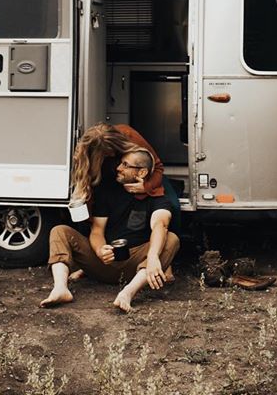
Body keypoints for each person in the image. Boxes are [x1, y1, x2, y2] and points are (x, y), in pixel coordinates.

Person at [41, 148, 179, 312]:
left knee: (171, 239)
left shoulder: (158, 199)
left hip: (135, 267)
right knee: (59, 231)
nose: (119, 168)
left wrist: (153, 256)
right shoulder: (109, 191)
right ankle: (60, 289)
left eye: (125, 165)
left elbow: (160, 225)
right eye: (121, 163)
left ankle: (127, 293)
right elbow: (97, 230)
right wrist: (100, 250)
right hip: (103, 261)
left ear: (141, 172)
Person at [69, 123, 165, 204]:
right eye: (106, 154)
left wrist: (146, 187)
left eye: (112, 151)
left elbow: (158, 167)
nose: (111, 155)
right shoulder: (86, 152)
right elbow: (86, 182)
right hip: (107, 192)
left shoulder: (128, 134)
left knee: (171, 205)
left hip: (138, 188)